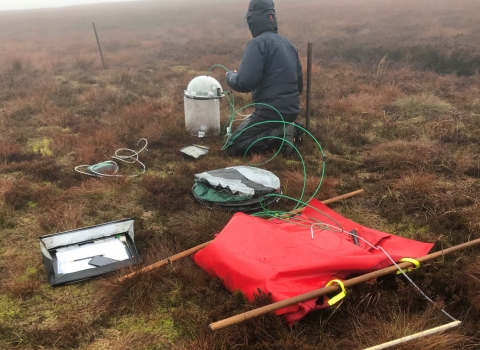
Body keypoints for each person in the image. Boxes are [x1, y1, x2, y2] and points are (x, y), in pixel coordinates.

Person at [225, 0, 303, 156]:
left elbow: (244, 83)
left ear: (253, 20)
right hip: (291, 110)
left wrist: (230, 76)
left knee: (234, 145)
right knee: (251, 132)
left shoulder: (258, 43)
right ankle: (290, 127)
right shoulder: (288, 44)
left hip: (270, 112)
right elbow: (299, 86)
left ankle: (283, 132)